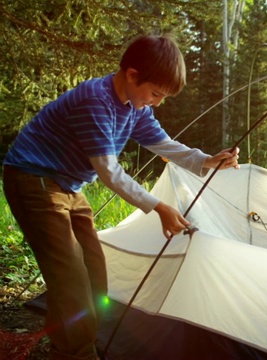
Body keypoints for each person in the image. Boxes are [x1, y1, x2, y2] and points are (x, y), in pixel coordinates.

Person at [2, 34, 239, 360]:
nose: (157, 102)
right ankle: (77, 354)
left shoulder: (134, 106)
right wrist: (158, 207)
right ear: (131, 75)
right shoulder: (95, 101)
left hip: (69, 187)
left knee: (95, 271)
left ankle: (62, 344)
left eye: (163, 97)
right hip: (33, 180)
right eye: (156, 93)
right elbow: (108, 171)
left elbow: (162, 143)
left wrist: (206, 160)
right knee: (71, 277)